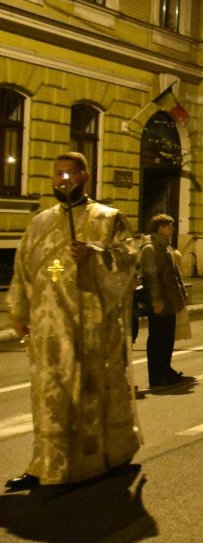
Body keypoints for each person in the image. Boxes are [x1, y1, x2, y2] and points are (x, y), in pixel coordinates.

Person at [6, 152, 140, 491]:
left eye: (70, 173)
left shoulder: (108, 219)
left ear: (86, 176)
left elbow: (128, 262)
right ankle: (46, 462)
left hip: (91, 327)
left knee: (88, 392)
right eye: (58, 174)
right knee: (49, 397)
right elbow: (23, 269)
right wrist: (19, 312)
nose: (63, 179)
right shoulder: (39, 222)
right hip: (48, 330)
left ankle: (95, 459)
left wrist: (95, 255)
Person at [140, 213, 192, 389]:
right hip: (161, 301)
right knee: (158, 339)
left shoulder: (165, 246)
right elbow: (151, 277)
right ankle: (157, 375)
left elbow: (175, 273)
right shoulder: (150, 248)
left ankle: (166, 369)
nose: (173, 229)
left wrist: (182, 293)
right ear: (160, 228)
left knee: (167, 338)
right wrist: (156, 300)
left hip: (170, 299)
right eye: (170, 226)